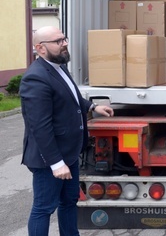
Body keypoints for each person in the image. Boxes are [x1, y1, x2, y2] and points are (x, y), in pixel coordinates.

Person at [20, 26, 114, 236]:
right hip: (50, 160)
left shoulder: (59, 67)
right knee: (43, 208)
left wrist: (91, 106)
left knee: (69, 202)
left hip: (69, 153)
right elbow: (40, 126)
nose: (64, 43)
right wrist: (56, 163)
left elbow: (70, 97)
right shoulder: (35, 78)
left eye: (64, 39)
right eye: (58, 41)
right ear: (40, 48)